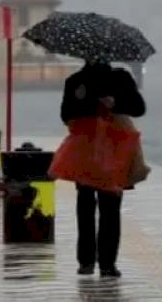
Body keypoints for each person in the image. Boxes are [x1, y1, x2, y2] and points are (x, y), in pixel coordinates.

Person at [59, 62, 146, 278]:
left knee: (106, 206)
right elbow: (66, 113)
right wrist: (90, 106)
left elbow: (138, 107)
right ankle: (90, 261)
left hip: (113, 147)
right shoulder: (76, 81)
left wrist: (114, 104)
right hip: (87, 147)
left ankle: (104, 262)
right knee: (89, 205)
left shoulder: (120, 78)